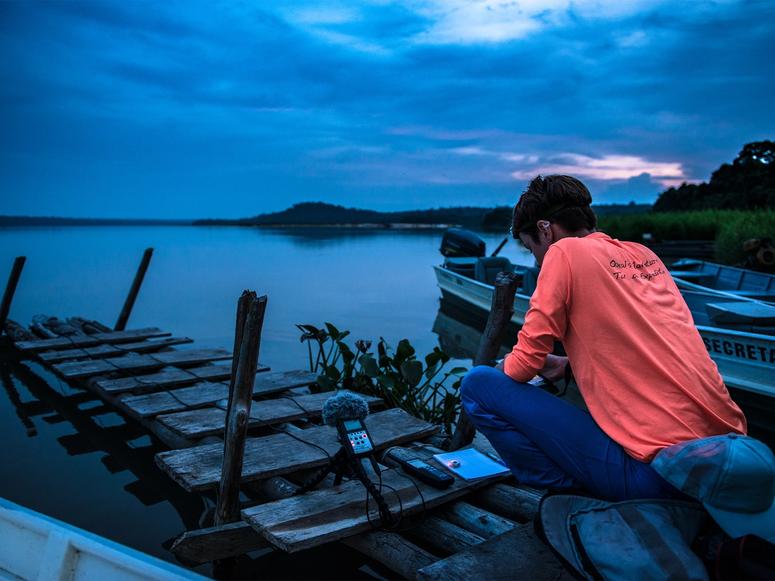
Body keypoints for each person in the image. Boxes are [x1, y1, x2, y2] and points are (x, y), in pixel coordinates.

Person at [461, 175, 747, 501]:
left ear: (545, 229)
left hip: (659, 477)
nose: (537, 260)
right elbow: (650, 342)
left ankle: (569, 493)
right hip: (729, 456)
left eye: (531, 249)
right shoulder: (644, 255)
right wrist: (568, 367)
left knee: (477, 384)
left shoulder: (564, 252)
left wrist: (500, 379)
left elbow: (522, 365)